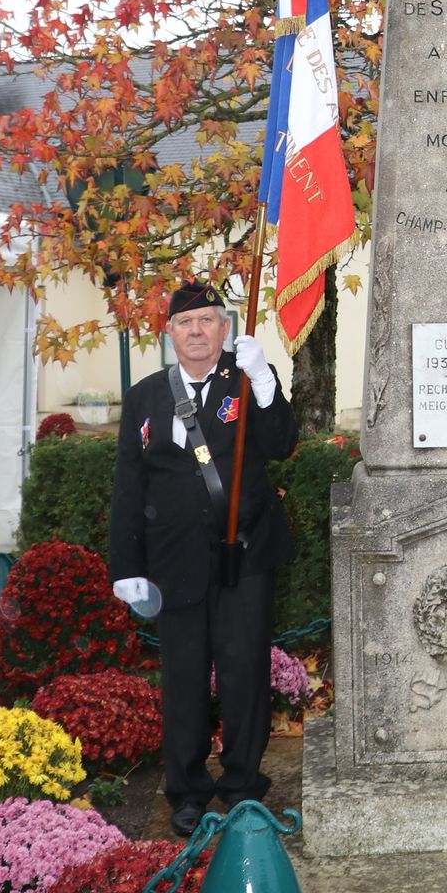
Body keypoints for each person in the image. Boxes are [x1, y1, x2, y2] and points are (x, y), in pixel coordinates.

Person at [109, 282, 298, 836]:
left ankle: (241, 784)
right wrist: (126, 569)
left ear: (225, 329)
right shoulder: (145, 396)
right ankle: (187, 791)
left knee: (244, 675)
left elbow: (283, 442)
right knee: (184, 680)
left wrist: (265, 380)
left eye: (208, 321)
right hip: (174, 563)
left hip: (244, 556)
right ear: (170, 333)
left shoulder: (245, 380)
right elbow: (128, 487)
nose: (197, 332)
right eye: (186, 323)